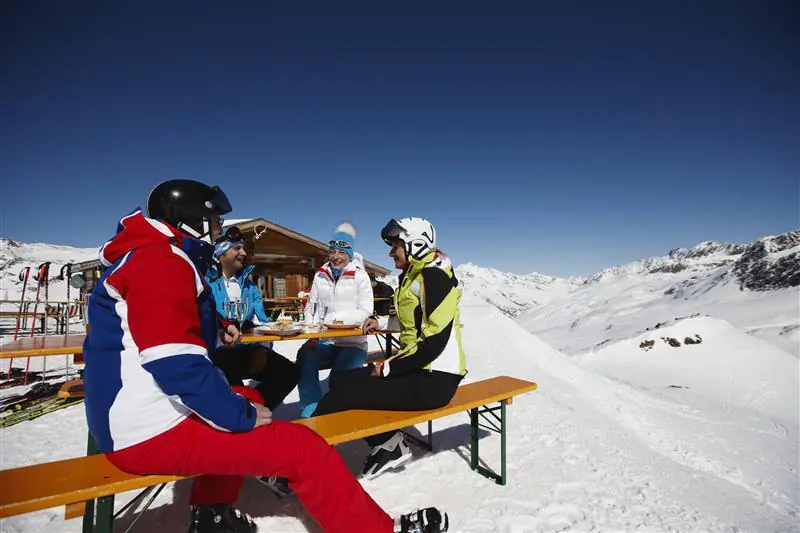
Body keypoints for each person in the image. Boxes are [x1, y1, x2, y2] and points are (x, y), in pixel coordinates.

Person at [82, 180, 449, 533]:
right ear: (189, 219)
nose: (217, 228)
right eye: (212, 221)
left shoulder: (151, 256)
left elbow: (166, 324)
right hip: (148, 429)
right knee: (304, 449)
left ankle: (212, 516)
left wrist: (220, 326)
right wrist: (236, 415)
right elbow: (176, 365)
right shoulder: (162, 261)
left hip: (131, 417)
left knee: (253, 395)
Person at [311, 217, 467, 481]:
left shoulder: (433, 277)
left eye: (395, 245)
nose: (390, 251)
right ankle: (387, 443)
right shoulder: (415, 275)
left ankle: (298, 462)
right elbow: (414, 320)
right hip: (417, 370)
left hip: (434, 379)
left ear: (415, 244)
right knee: (342, 380)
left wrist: (386, 368)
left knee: (344, 394)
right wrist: (381, 321)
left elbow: (433, 342)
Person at [205, 227, 298, 415]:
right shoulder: (205, 283)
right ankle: (240, 413)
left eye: (243, 249)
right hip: (215, 357)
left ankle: (254, 411)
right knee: (230, 382)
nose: (244, 253)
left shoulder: (249, 286)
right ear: (221, 252)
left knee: (288, 372)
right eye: (237, 248)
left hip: (244, 350)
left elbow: (261, 321)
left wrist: (262, 347)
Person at [297, 222, 374, 418]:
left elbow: (365, 310)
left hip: (353, 344)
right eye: (333, 251)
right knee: (305, 357)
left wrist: (333, 319)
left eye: (342, 251)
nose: (336, 256)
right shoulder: (320, 276)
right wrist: (312, 334)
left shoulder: (360, 276)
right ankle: (311, 412)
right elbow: (311, 307)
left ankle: (335, 417)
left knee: (338, 379)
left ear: (349, 254)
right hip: (325, 341)